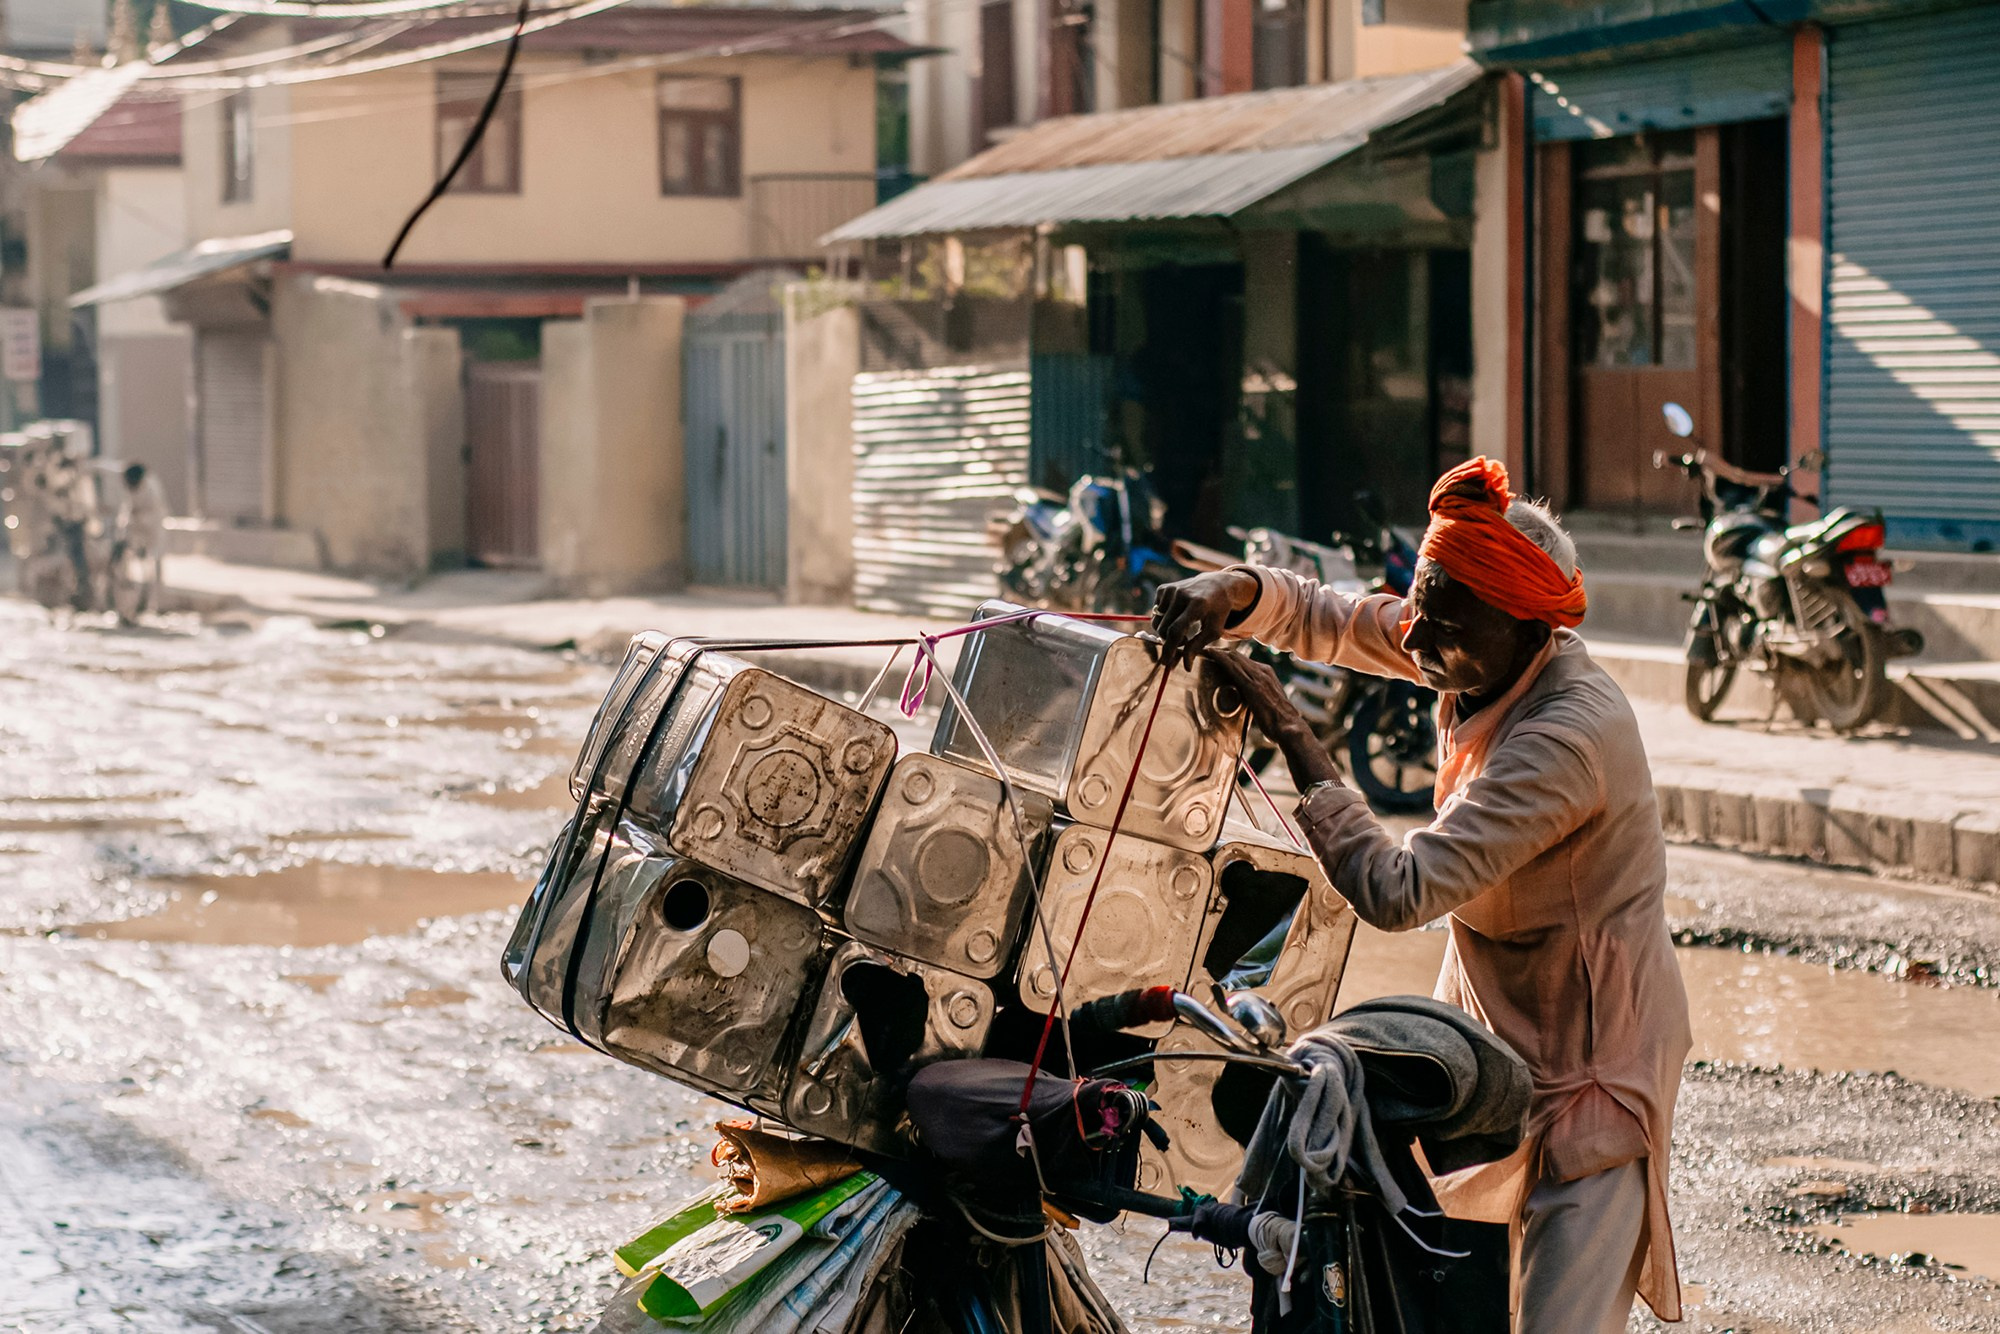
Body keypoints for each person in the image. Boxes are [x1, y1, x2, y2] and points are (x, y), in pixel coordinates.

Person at [1151, 457, 1691, 1333]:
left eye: (1441, 620)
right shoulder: (1468, 644)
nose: (1415, 636)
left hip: (1594, 1063)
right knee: (1448, 1299)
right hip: (1482, 1042)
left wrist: (1292, 730)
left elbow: (1398, 891)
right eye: (1421, 603)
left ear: (1523, 625)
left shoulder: (1567, 736)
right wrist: (1234, 589)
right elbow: (1333, 616)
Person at [115, 462, 168, 613]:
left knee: (155, 567)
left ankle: (157, 604)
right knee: (131, 569)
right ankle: (133, 605)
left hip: (152, 532)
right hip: (136, 532)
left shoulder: (151, 489)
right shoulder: (131, 489)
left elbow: (152, 516)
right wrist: (123, 534)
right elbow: (127, 511)